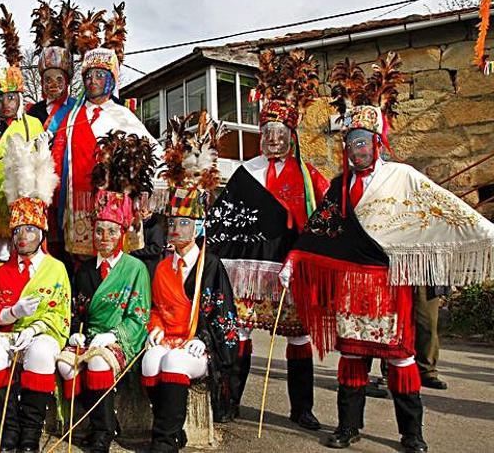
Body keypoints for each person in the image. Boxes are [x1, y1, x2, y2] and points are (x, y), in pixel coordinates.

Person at [282, 53, 494, 452]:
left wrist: (486, 232)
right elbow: (317, 232)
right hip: (351, 285)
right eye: (350, 143)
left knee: (399, 358)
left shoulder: (404, 177)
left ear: (377, 143)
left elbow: (444, 208)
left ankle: (411, 433)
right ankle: (349, 428)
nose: (356, 149)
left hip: (389, 282)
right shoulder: (338, 186)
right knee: (353, 358)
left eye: (362, 142)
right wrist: (294, 260)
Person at [205, 49, 329, 429]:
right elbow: (223, 222)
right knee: (238, 331)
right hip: (245, 272)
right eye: (268, 133)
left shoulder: (309, 177)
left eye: (281, 134)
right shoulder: (246, 171)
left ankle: (302, 408)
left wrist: (304, 258)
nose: (274, 140)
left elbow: (322, 223)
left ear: (292, 136)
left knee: (296, 337)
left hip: (289, 270)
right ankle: (230, 399)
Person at [142, 113, 239, 451]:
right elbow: (156, 307)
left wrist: (205, 338)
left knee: (175, 362)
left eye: (184, 224)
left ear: (198, 227)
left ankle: (164, 441)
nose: (175, 229)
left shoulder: (209, 265)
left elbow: (225, 316)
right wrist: (155, 325)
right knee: (152, 361)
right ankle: (175, 427)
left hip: (197, 344)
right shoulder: (163, 265)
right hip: (167, 337)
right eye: (172, 223)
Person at [56, 131, 155, 453]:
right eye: (98, 230)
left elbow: (138, 316)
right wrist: (75, 335)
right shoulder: (83, 270)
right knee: (65, 365)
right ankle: (88, 418)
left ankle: (104, 430)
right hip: (90, 338)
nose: (103, 237)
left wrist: (111, 337)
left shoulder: (135, 269)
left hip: (119, 340)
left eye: (111, 231)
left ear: (122, 234)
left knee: (98, 364)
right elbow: (76, 311)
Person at [0, 134, 71, 453]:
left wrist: (34, 327)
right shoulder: (3, 270)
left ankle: (31, 430)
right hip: (8, 332)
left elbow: (60, 315)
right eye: (18, 231)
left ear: (41, 232)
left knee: (42, 352)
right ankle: (9, 425)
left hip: (39, 334)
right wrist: (13, 314)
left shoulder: (55, 268)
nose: (23, 236)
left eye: (29, 230)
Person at [51, 3, 162, 258]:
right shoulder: (69, 118)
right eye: (88, 76)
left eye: (99, 76)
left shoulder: (124, 116)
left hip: (115, 210)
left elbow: (153, 154)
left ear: (111, 80)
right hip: (77, 208)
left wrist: (146, 195)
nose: (92, 81)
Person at [0, 4, 45, 263]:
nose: (7, 104)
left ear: (20, 98)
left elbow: (42, 166)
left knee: (24, 256)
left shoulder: (33, 125)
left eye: (11, 98)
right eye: (2, 98)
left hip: (22, 204)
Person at [26, 0, 79, 135]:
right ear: (41, 82)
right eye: (48, 80)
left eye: (59, 79)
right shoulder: (33, 112)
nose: (53, 84)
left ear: (67, 81)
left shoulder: (78, 109)